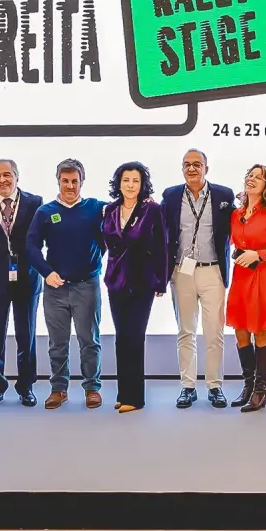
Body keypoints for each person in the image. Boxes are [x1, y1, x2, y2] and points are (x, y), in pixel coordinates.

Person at [26, 158, 107, 410]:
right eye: (65, 181)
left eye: (74, 181)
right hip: (55, 288)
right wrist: (46, 272)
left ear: (82, 182)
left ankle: (92, 388)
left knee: (89, 340)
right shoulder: (45, 212)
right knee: (57, 342)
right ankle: (58, 389)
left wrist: (93, 262)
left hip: (87, 286)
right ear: (58, 181)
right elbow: (31, 246)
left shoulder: (95, 208)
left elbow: (118, 220)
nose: (70, 186)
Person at [161, 149, 236, 409]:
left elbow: (236, 225)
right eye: (186, 165)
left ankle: (215, 386)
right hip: (182, 271)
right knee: (186, 331)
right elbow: (162, 231)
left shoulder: (224, 195)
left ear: (206, 168)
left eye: (197, 164)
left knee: (214, 332)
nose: (191, 169)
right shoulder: (170, 196)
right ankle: (188, 386)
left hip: (213, 270)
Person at [0, 159, 44, 408]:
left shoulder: (34, 202)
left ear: (17, 176)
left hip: (27, 278)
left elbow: (40, 237)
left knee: (26, 335)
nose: (2, 180)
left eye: (7, 175)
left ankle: (26, 386)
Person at [102, 162, 168, 413]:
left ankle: (135, 397)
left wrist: (161, 280)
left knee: (135, 336)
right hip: (115, 281)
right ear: (119, 183)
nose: (130, 185)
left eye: (136, 181)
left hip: (142, 281)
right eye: (126, 180)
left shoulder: (152, 209)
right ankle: (123, 393)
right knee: (121, 338)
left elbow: (162, 246)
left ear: (142, 185)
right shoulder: (110, 210)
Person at [227, 164, 266, 412]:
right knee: (240, 331)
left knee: (259, 330)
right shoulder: (236, 214)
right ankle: (248, 384)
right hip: (241, 275)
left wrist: (258, 254)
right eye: (249, 175)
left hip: (264, 277)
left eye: (258, 177)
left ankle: (260, 390)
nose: (251, 179)